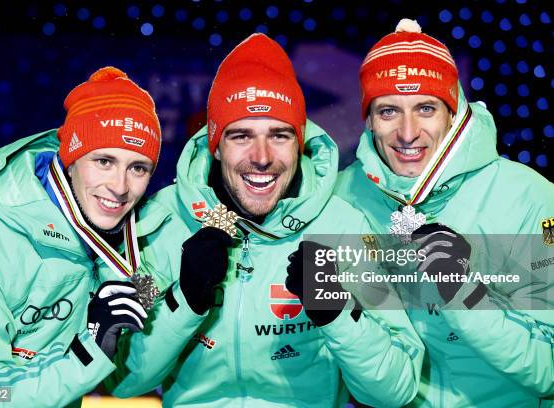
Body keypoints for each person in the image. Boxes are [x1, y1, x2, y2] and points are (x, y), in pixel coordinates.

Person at [101, 33, 424, 407]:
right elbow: (120, 382)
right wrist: (184, 302)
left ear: (299, 142)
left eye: (279, 135)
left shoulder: (343, 227)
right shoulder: (163, 222)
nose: (262, 156)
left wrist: (337, 313)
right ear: (216, 145)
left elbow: (395, 391)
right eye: (241, 135)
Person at [335, 19, 554, 407]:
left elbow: (549, 372)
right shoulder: (341, 199)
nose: (407, 132)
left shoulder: (528, 197)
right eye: (388, 111)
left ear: (452, 113)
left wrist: (466, 296)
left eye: (425, 108)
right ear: (367, 119)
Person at [0, 67, 158, 407]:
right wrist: (85, 354)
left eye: (138, 168)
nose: (120, 187)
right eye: (104, 161)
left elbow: (128, 383)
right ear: (70, 159)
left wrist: (189, 304)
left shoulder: (125, 246)